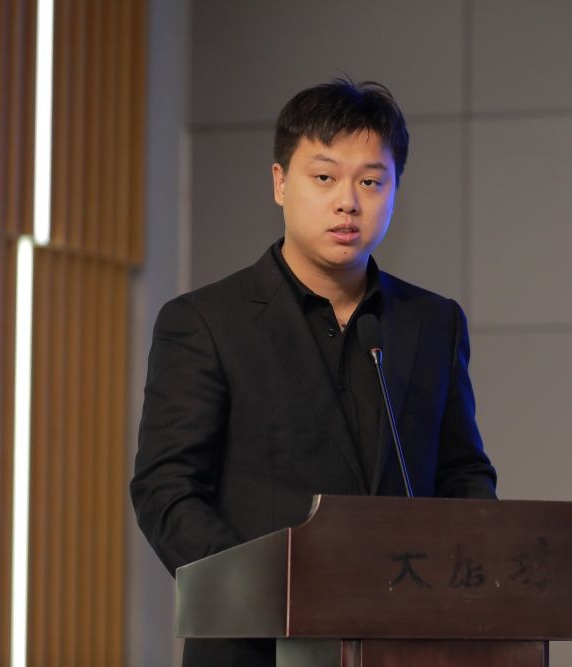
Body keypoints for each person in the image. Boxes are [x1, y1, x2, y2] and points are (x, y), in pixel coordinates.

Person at [130, 78, 498, 667]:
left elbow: (462, 472)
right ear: (280, 183)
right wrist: (269, 591)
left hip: (406, 646)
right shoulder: (205, 323)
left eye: (371, 182)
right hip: (257, 646)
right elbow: (166, 491)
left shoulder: (433, 322)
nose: (347, 202)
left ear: (395, 190)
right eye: (324, 177)